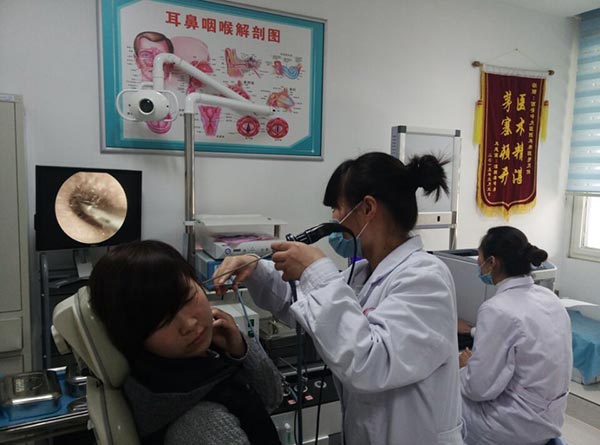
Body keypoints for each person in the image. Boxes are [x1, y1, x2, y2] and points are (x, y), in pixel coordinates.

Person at [213, 152, 464, 445]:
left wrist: (316, 269)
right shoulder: (362, 274)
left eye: (337, 206)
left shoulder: (426, 277)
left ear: (367, 208)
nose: (334, 217)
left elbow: (369, 363)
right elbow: (304, 305)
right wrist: (256, 269)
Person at [88, 240, 282, 445]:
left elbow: (272, 395)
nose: (188, 324)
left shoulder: (168, 366)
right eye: (161, 320)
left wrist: (240, 349)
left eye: (188, 299)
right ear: (132, 335)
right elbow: (272, 400)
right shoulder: (203, 426)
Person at [459, 226, 572, 445]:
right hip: (550, 419)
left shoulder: (496, 308)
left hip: (510, 427)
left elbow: (478, 389)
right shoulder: (549, 298)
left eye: (479, 256)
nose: (477, 262)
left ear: (492, 262)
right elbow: (525, 335)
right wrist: (472, 330)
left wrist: (465, 366)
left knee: (443, 394)